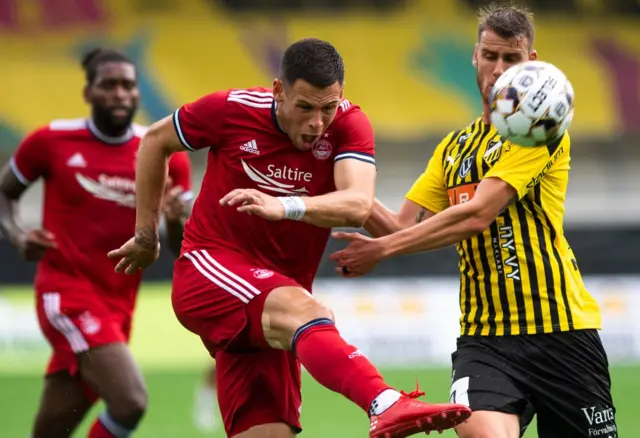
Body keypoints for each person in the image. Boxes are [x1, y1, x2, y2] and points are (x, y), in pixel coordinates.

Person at [108, 38, 471, 438]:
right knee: (310, 312)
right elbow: (155, 141)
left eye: (328, 108)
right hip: (210, 270)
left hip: (274, 306)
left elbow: (356, 203)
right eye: (305, 107)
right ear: (279, 91)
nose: (318, 123)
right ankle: (385, 403)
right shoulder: (231, 109)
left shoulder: (349, 124)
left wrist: (285, 204)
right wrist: (146, 235)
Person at [329, 3, 617, 438]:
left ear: (530, 65)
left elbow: (479, 213)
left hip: (562, 331)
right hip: (485, 341)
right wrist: (354, 197)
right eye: (490, 55)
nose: (498, 69)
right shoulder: (453, 148)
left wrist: (383, 250)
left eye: (511, 59)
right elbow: (404, 230)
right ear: (475, 57)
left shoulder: (542, 129)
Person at [0, 48, 192, 438]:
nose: (120, 94)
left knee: (53, 427)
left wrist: (175, 219)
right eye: (109, 85)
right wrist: (19, 235)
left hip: (118, 305)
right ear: (88, 93)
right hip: (65, 292)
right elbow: (4, 193)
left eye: (128, 85)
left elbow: (180, 245)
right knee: (130, 401)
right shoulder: (50, 141)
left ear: (138, 93)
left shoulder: (164, 154)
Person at [162, 171, 221, 434]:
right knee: (226, 355)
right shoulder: (210, 206)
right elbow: (182, 246)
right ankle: (206, 403)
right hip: (226, 286)